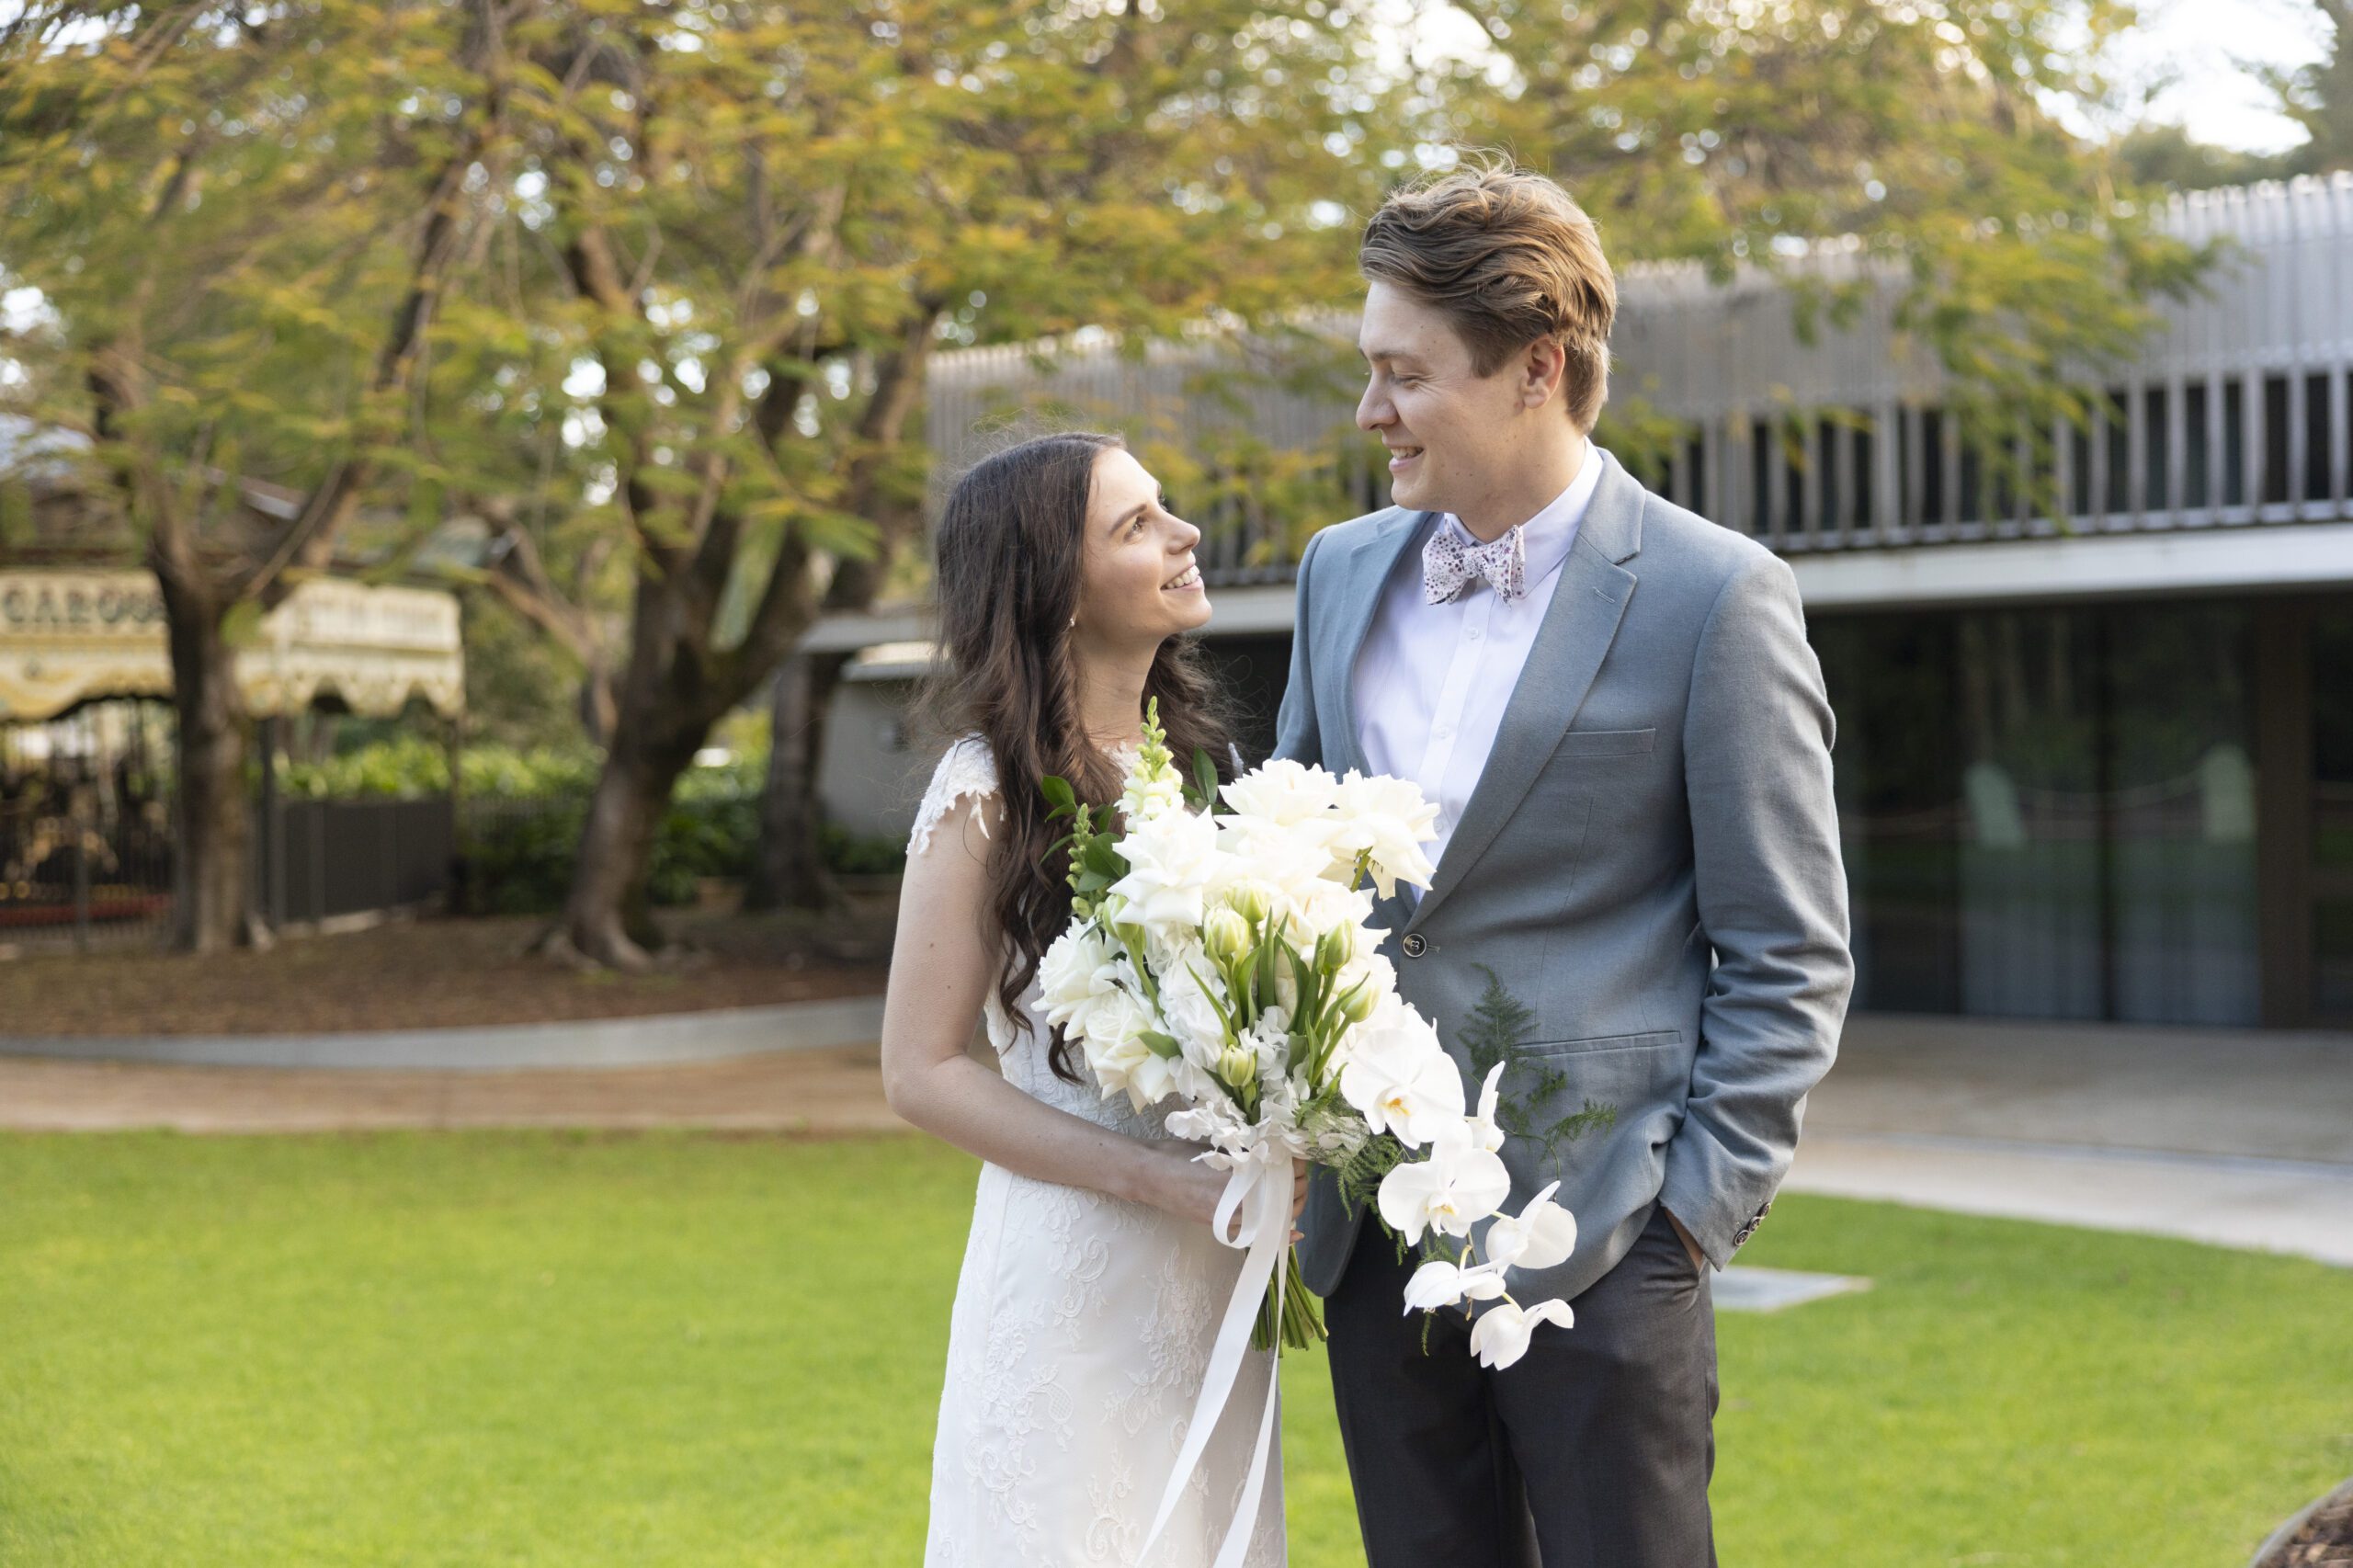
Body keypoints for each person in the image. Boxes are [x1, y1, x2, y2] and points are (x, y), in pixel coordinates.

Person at [1276, 160, 1855, 1566]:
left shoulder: (1719, 595)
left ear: (1536, 368)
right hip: (1374, 1236)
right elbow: (1289, 872)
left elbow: (1790, 949)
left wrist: (1689, 1219)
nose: (1369, 412)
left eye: (1403, 374)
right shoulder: (1337, 572)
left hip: (1605, 1237)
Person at [881, 430, 1302, 1568]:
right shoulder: (985, 788)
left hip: (1212, 1273)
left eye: (1164, 509)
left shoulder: (1200, 772)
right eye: (1136, 525)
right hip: (1078, 1270)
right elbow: (919, 1069)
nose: (1185, 535)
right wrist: (1151, 1177)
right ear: (1055, 591)